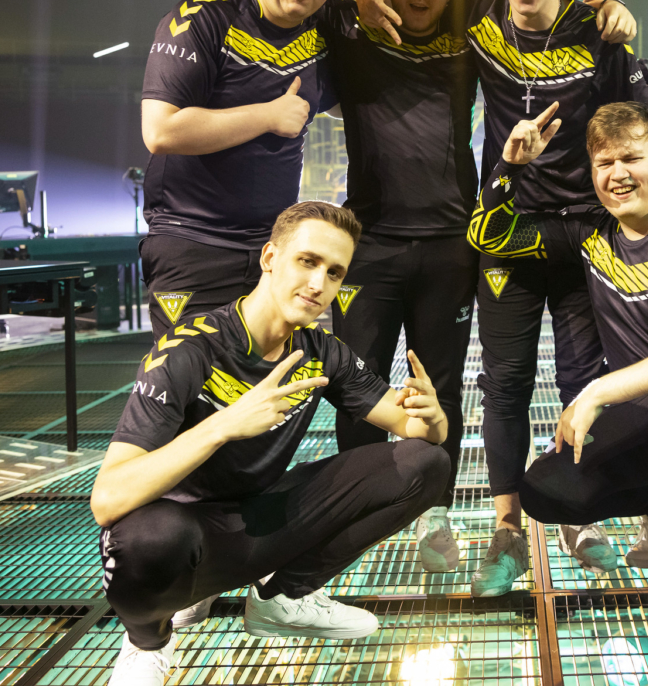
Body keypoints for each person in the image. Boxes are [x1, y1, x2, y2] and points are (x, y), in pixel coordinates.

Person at [231, 0, 637, 575]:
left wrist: (607, 7)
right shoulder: (348, 23)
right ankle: (356, 521)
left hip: (454, 241)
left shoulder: (469, 16)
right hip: (371, 243)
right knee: (354, 388)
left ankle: (436, 513)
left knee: (442, 387)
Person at [358, 0, 648, 598]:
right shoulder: (473, 13)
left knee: (582, 377)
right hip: (508, 230)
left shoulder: (597, 30)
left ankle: (575, 514)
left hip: (584, 234)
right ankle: (508, 527)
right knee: (506, 385)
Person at [92, 201, 451, 686]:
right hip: (182, 528)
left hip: (259, 520)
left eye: (334, 272)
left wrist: (433, 418)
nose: (318, 284)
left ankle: (282, 596)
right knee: (149, 542)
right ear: (269, 258)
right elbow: (108, 498)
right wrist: (223, 425)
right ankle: (147, 641)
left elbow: (415, 431)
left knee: (428, 463)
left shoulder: (322, 352)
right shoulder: (189, 350)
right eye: (307, 261)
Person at [469, 101, 648, 646]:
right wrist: (510, 168)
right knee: (545, 489)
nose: (618, 174)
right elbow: (488, 235)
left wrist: (597, 390)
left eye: (632, 158)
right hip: (647, 414)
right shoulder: (590, 231)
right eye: (604, 163)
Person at [140, 0, 363, 339]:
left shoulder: (325, 27)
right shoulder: (201, 17)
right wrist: (268, 116)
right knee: (191, 379)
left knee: (269, 376)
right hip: (193, 243)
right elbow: (161, 131)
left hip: (273, 250)